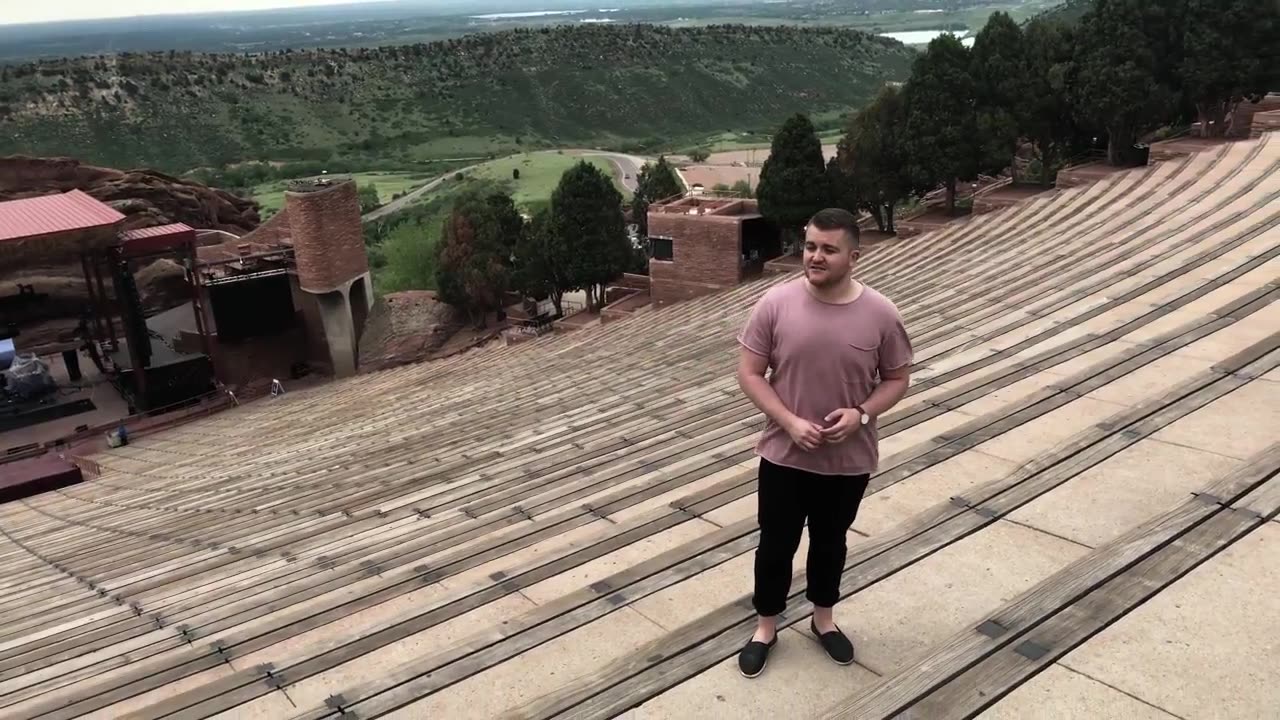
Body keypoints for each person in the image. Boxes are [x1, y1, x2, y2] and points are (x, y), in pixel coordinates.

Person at [734, 207, 913, 678]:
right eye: (810, 246)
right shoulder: (774, 303)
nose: (815, 256)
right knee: (775, 544)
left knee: (830, 543)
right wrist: (790, 422)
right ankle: (765, 626)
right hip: (783, 454)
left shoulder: (881, 313)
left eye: (828, 249)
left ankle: (823, 620)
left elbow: (897, 379)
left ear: (854, 255)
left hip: (848, 460)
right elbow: (750, 375)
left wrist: (862, 414)